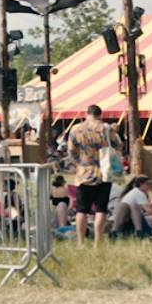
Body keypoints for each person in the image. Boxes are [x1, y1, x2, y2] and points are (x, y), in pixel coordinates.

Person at [62, 105, 115, 246]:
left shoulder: (75, 129)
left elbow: (71, 152)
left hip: (83, 174)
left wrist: (80, 164)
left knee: (81, 210)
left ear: (87, 114)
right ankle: (98, 242)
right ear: (100, 115)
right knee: (101, 209)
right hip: (104, 173)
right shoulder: (106, 128)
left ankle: (80, 242)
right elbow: (118, 145)